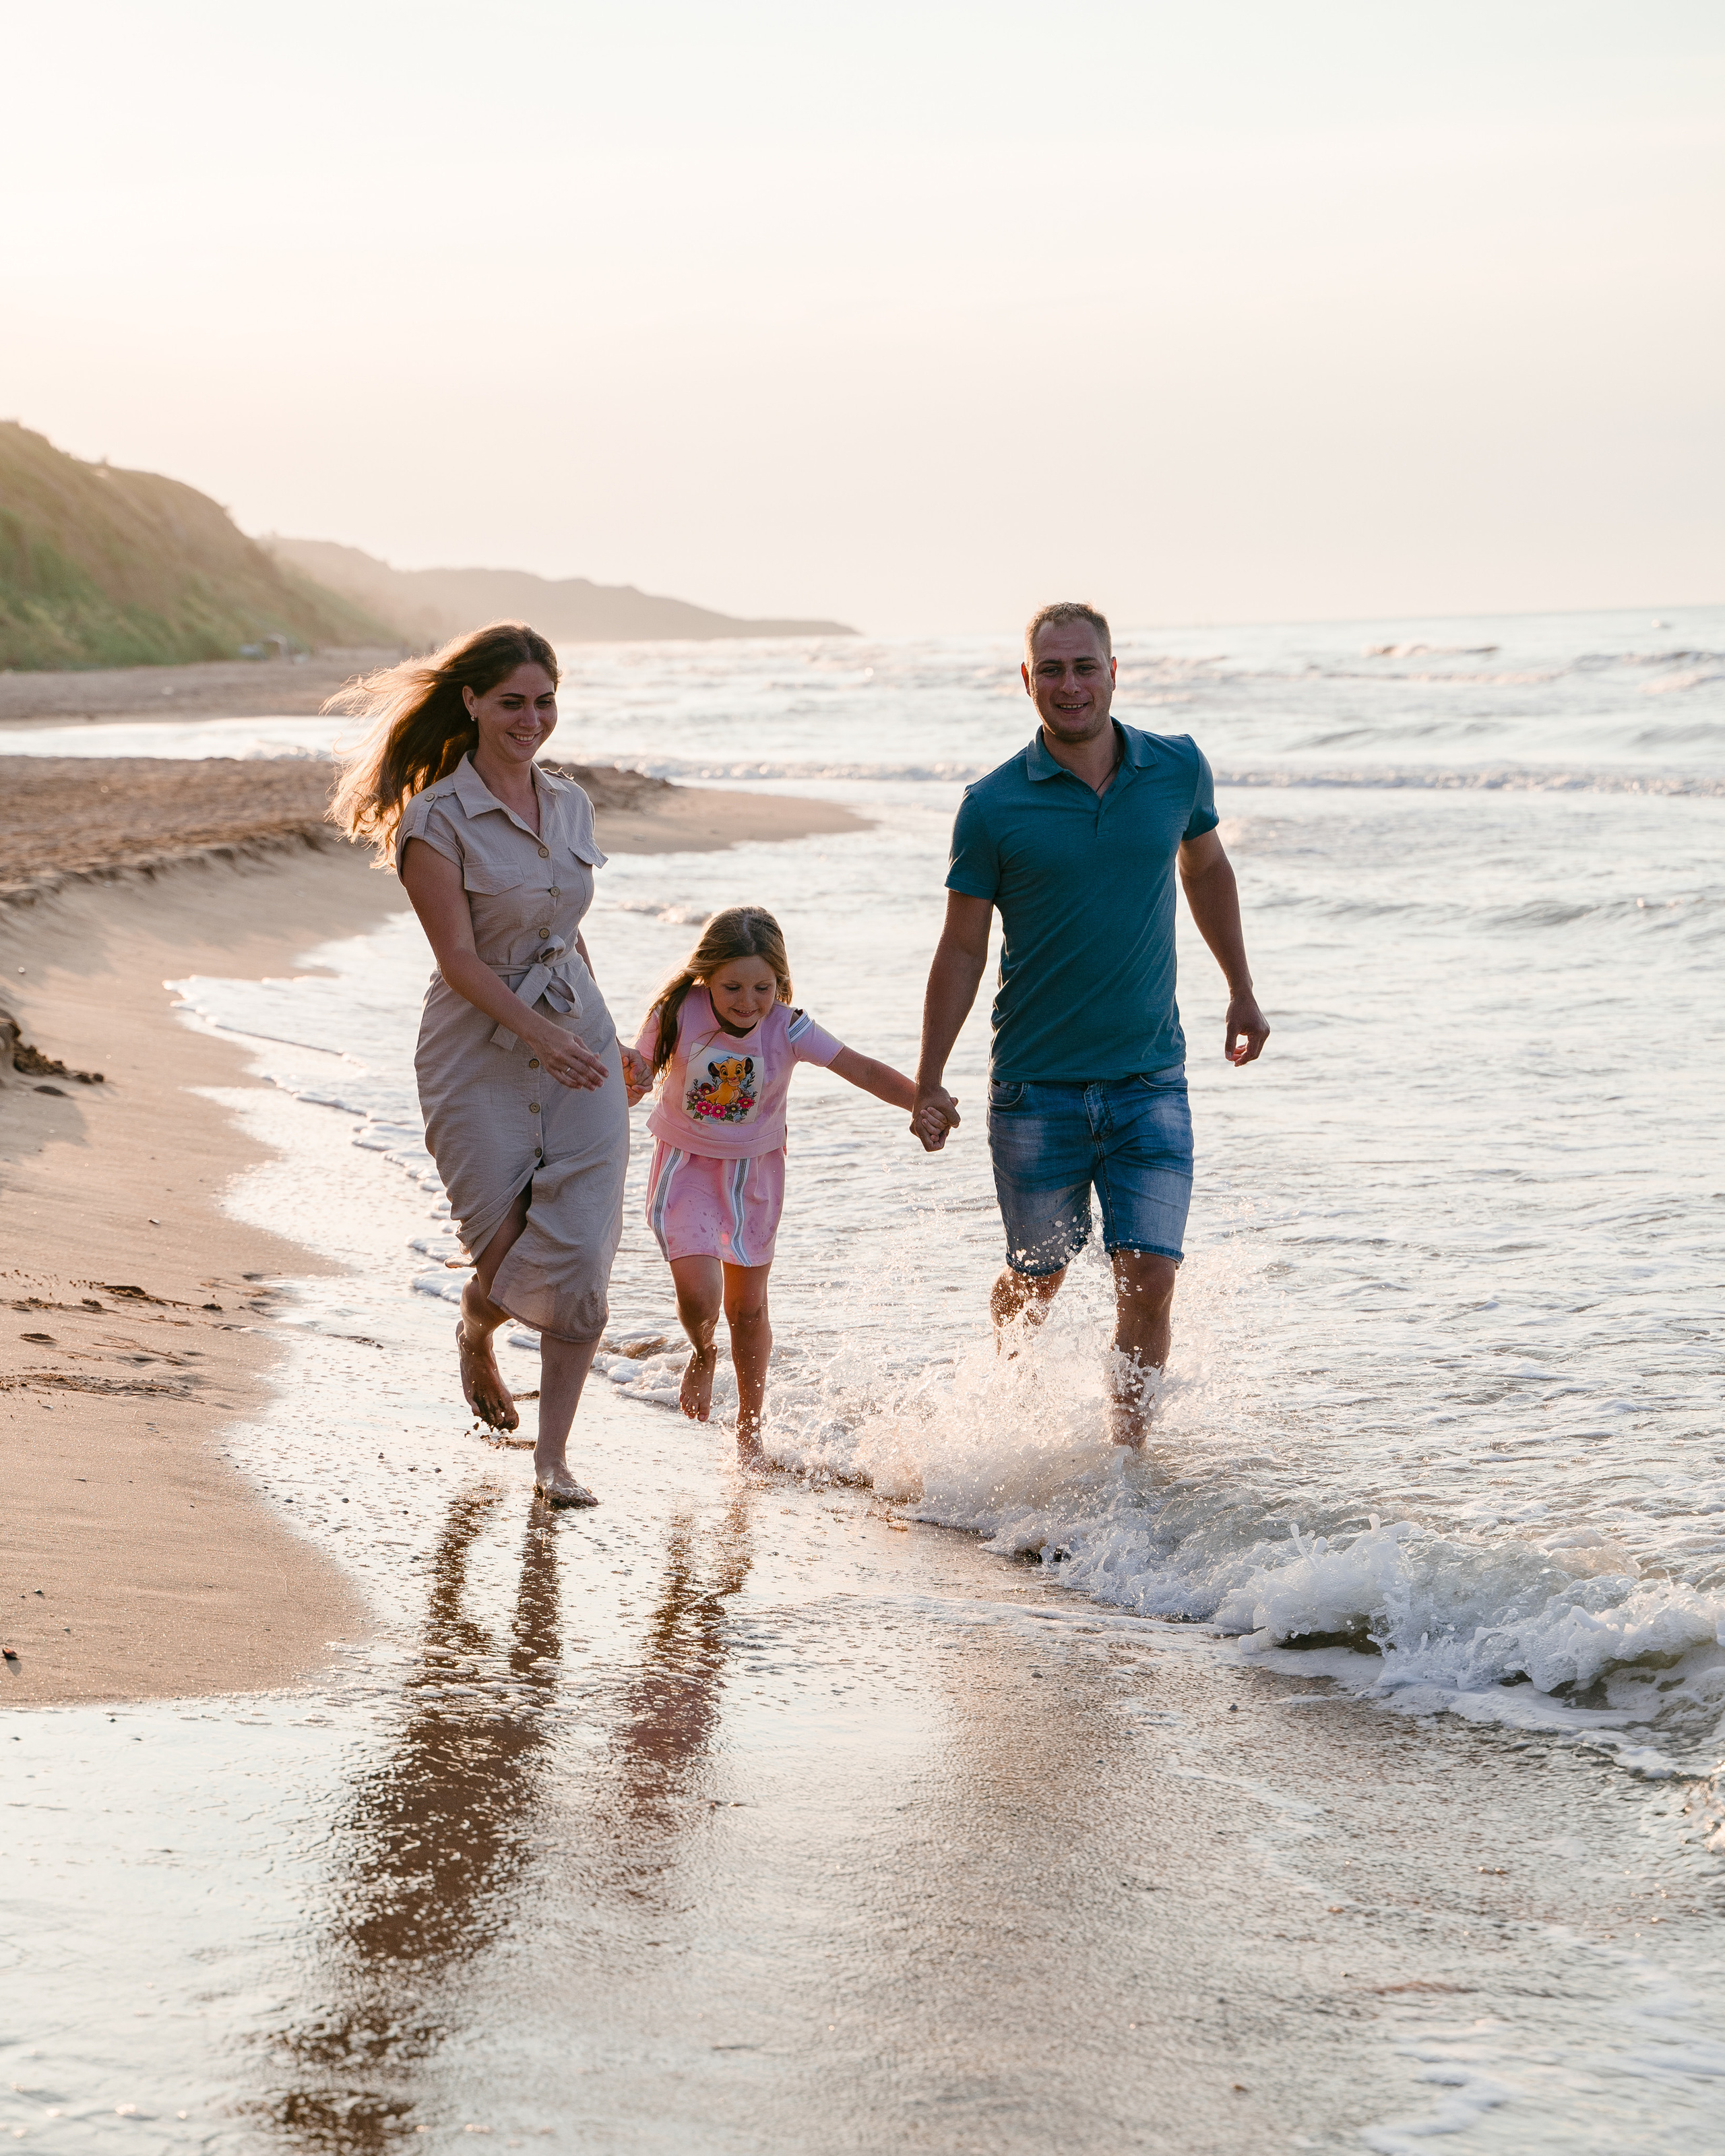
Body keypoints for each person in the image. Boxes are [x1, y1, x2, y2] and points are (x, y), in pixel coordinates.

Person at [910, 600, 1269, 1444]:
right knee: (1037, 1279)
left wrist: (1241, 988)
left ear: (1114, 670)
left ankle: (1127, 1462)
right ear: (1027, 680)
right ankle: (992, 1413)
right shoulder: (992, 806)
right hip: (1037, 1088)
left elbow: (1207, 867)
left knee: (1148, 1277)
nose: (1071, 685)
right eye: (1053, 670)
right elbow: (962, 949)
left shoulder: (1176, 769)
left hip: (1151, 1077)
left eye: (1086, 666)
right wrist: (928, 1077)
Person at [330, 620, 649, 1507]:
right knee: (509, 1249)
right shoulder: (434, 819)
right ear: (470, 701)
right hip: (477, 1047)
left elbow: (566, 929)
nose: (531, 717)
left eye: (545, 701)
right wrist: (540, 1036)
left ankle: (552, 1461)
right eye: (512, 701)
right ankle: (478, 1324)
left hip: (575, 1033)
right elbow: (461, 960)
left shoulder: (572, 805)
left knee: (581, 1259)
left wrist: (603, 1032)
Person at [627, 905, 918, 1458]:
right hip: (686, 1168)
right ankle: (702, 1349)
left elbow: (861, 1068)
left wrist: (921, 1098)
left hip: (756, 1177)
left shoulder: (789, 1025)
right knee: (699, 1293)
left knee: (749, 1309)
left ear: (779, 982)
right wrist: (632, 1076)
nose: (747, 1001)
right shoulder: (676, 1012)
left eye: (762, 987)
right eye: (732, 986)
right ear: (705, 977)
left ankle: (750, 1426)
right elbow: (636, 1075)